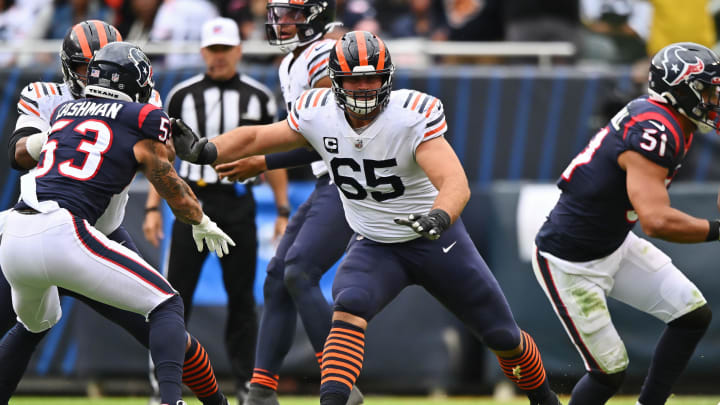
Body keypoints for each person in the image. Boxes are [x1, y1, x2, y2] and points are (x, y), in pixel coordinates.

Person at [171, 30, 564, 405]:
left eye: (371, 80)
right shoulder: (317, 111)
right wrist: (207, 151)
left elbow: (454, 181)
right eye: (353, 82)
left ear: (387, 78)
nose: (362, 90)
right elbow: (257, 138)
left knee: (502, 335)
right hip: (375, 242)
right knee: (349, 304)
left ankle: (543, 397)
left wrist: (439, 217)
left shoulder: (411, 116)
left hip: (436, 241)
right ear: (334, 81)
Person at [1, 20, 228, 405]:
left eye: (102, 66)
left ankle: (214, 401)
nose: (95, 76)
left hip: (58, 230)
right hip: (68, 232)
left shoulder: (134, 103)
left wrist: (69, 124)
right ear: (67, 66)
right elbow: (17, 154)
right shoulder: (48, 96)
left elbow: (158, 155)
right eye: (85, 68)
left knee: (164, 332)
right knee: (165, 306)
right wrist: (61, 130)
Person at [532, 42, 716, 405]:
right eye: (707, 90)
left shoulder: (665, 119)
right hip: (571, 262)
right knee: (608, 372)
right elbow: (657, 220)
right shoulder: (655, 130)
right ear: (681, 89)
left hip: (613, 243)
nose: (713, 99)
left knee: (692, 315)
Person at [211, 2, 362, 404]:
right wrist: (263, 158)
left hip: (351, 180)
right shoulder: (293, 62)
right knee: (278, 277)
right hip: (326, 180)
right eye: (279, 14)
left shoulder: (324, 55)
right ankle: (260, 393)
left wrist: (263, 159)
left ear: (315, 16)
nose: (281, 23)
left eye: (292, 15)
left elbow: (328, 135)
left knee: (298, 273)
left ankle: (342, 387)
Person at [142, 17, 288, 404]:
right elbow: (160, 157)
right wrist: (154, 206)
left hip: (237, 203)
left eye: (225, 49)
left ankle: (246, 386)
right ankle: (164, 388)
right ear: (203, 51)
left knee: (242, 300)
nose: (219, 57)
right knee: (173, 300)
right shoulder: (181, 95)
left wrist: (283, 209)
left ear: (239, 50)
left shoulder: (258, 96)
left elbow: (269, 154)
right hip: (190, 203)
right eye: (213, 49)